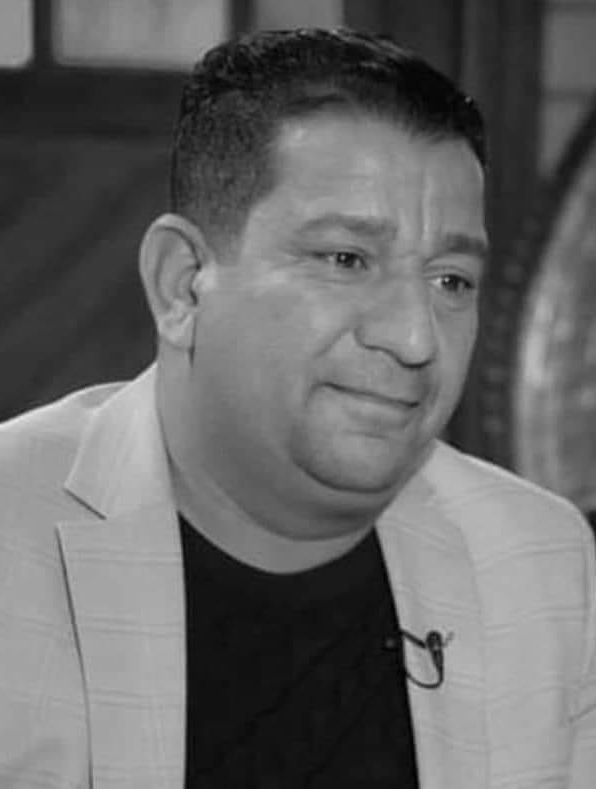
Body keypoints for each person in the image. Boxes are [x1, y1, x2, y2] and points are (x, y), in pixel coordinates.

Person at [0, 28, 594, 789]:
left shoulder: (540, 560)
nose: (416, 338)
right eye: (346, 260)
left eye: (450, 281)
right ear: (183, 285)